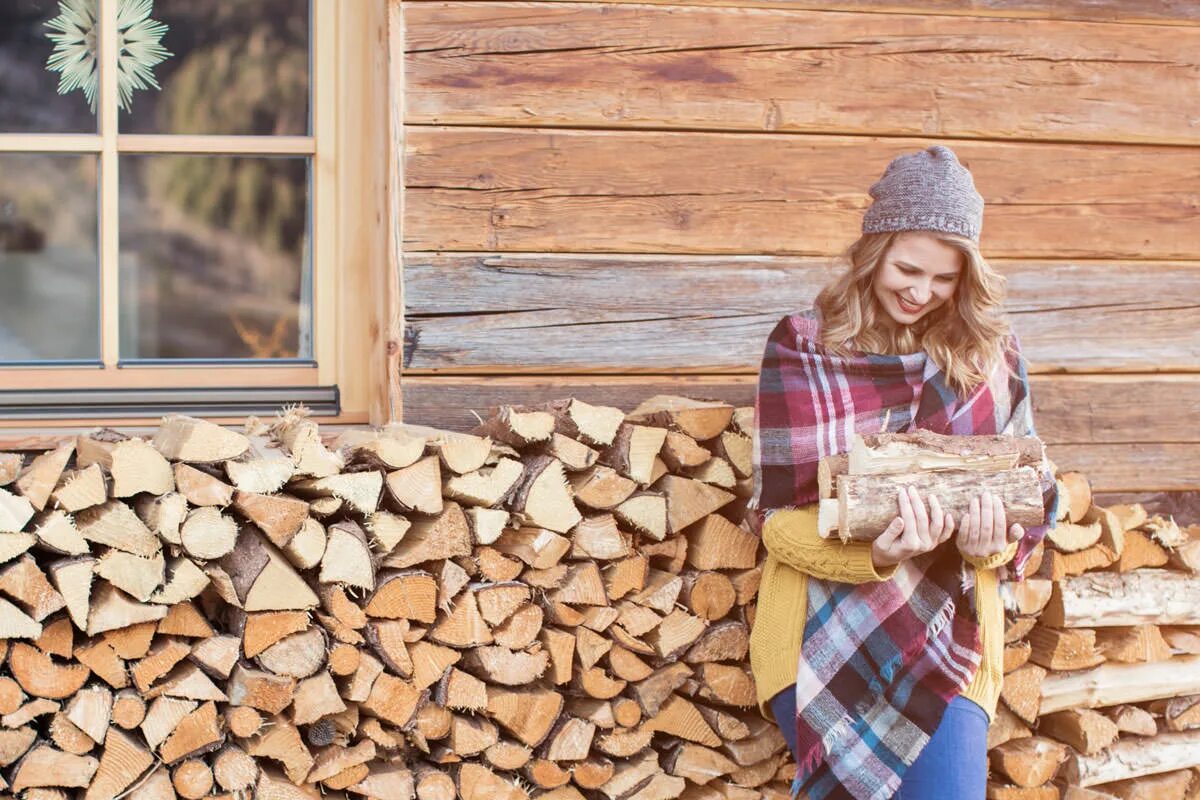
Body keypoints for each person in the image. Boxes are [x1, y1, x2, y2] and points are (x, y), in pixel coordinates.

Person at [746, 145, 1058, 800]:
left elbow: (1027, 498)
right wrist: (875, 554)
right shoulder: (805, 345)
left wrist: (989, 543)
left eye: (944, 278)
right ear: (874, 250)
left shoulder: (992, 356)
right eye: (907, 268)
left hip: (954, 641)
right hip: (818, 640)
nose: (921, 292)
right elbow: (777, 525)